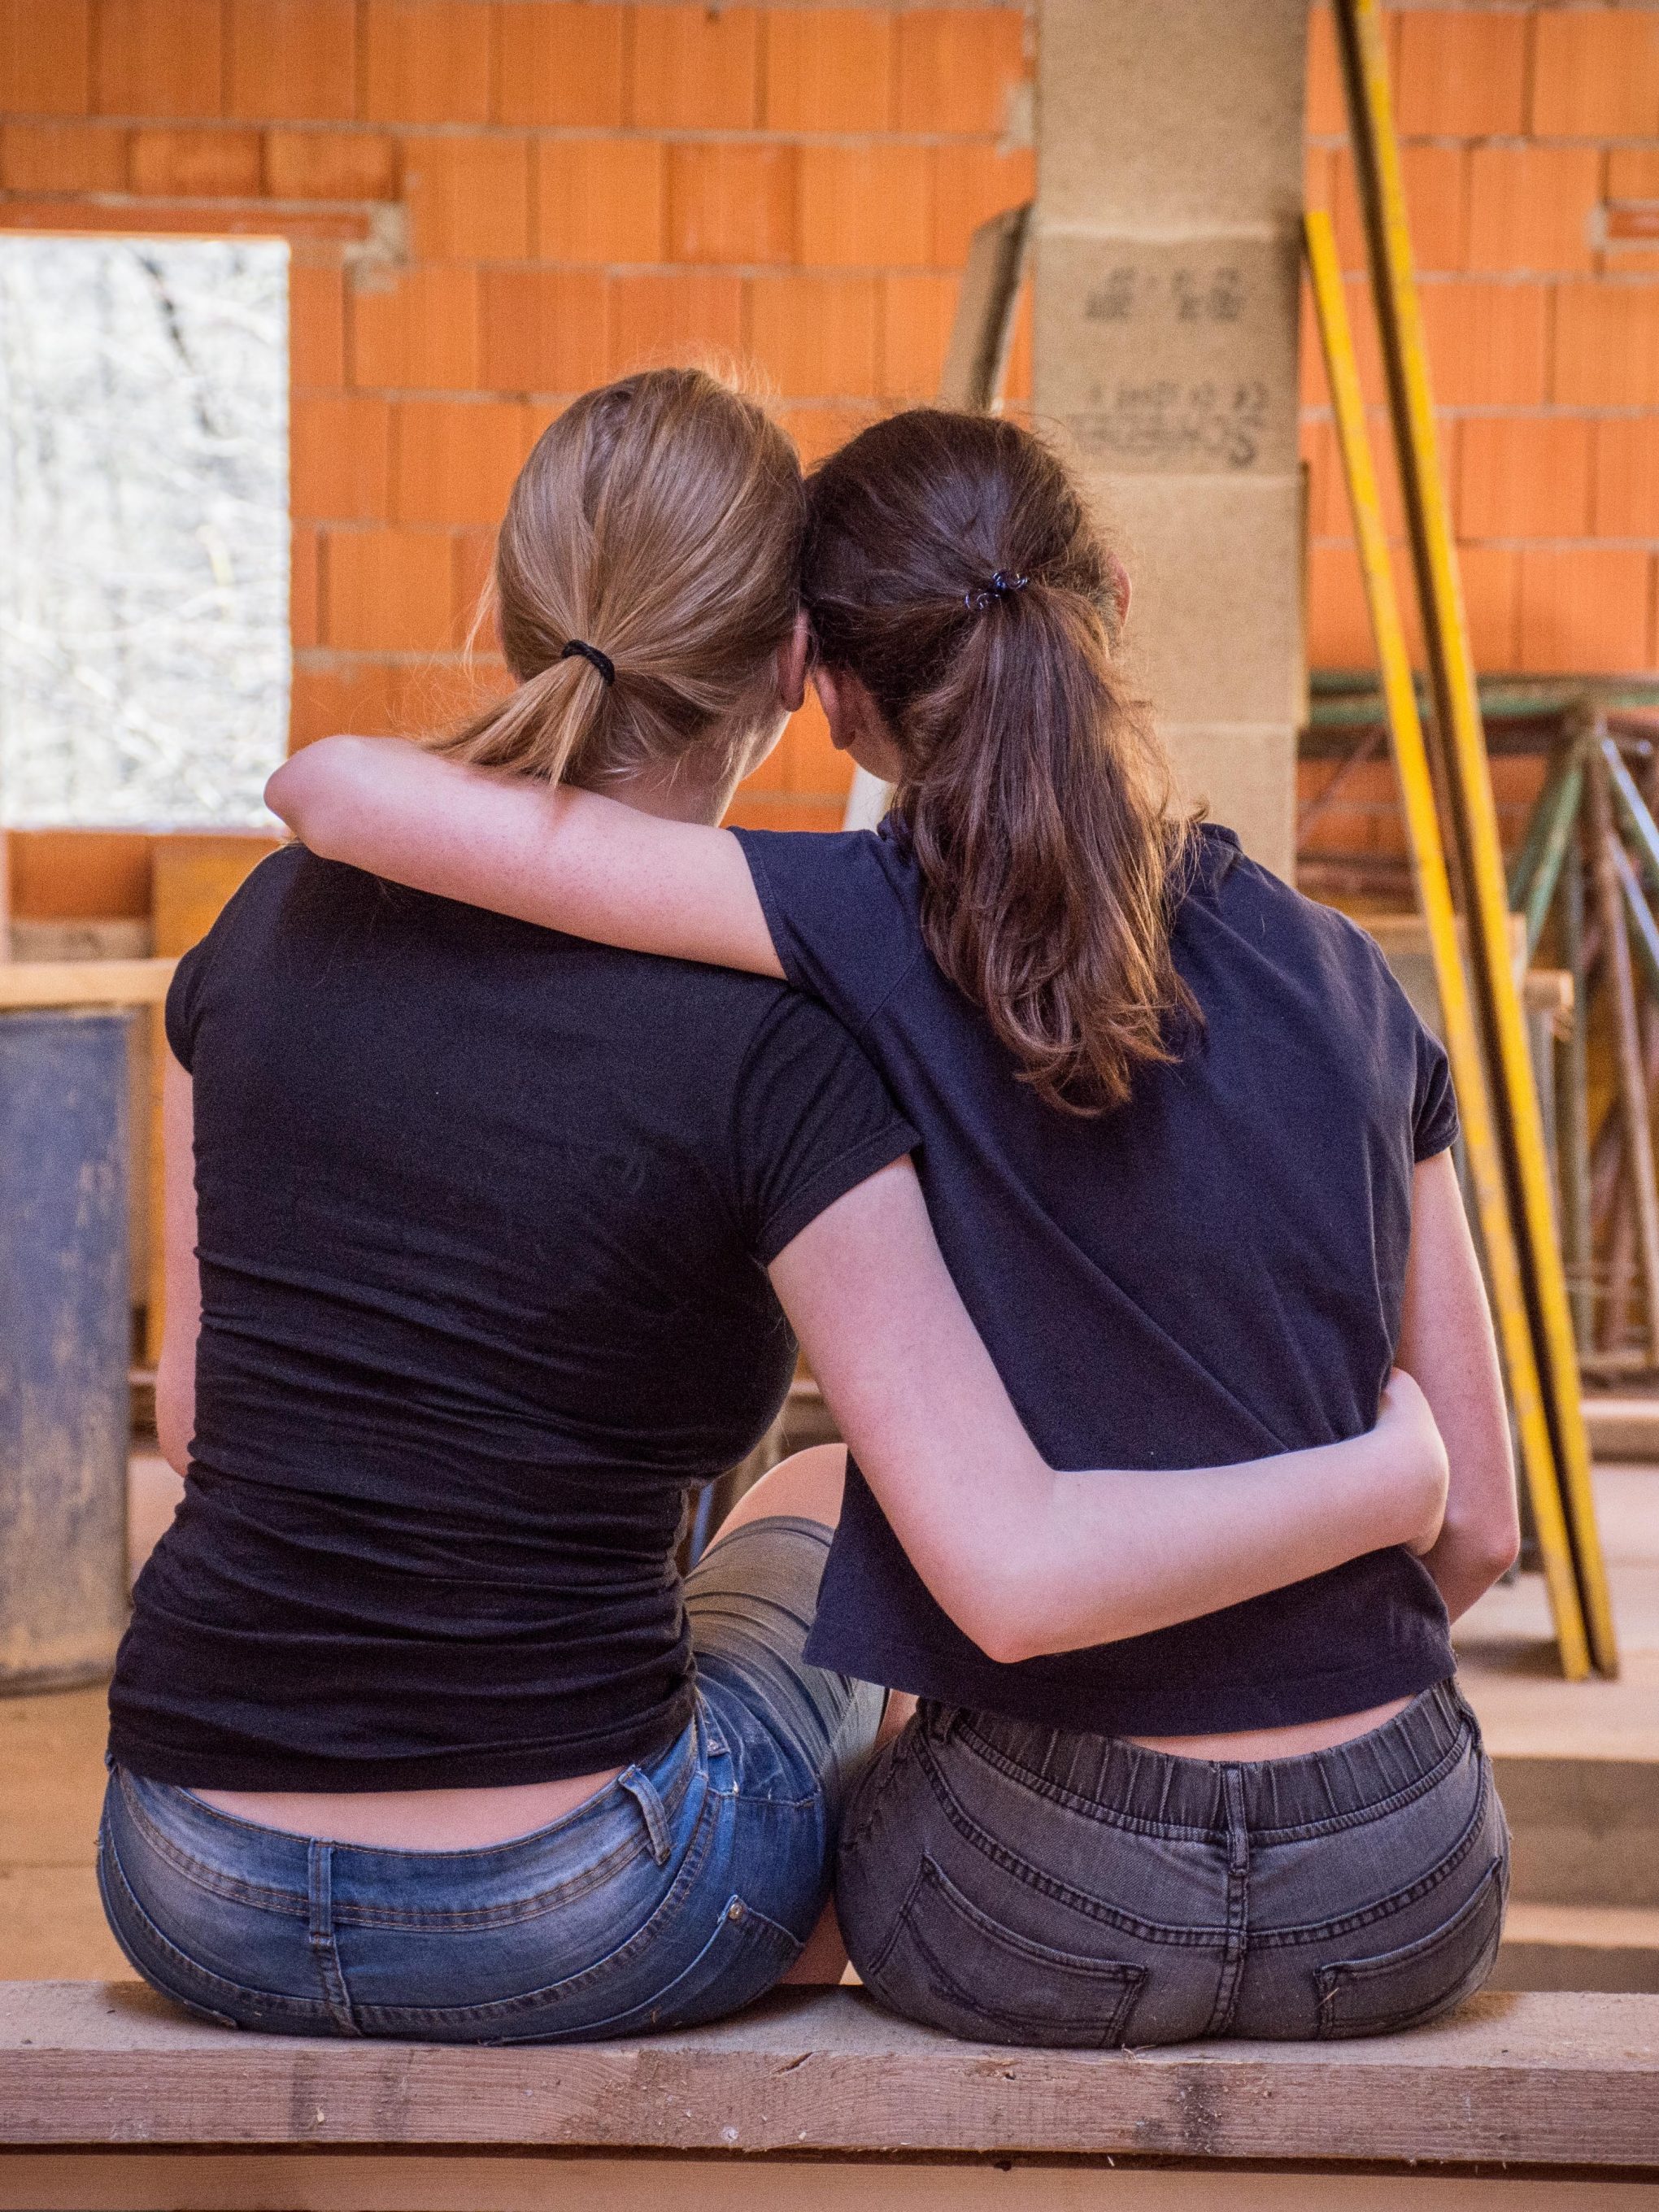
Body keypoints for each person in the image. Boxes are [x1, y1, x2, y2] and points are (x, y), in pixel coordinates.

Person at [103, 373, 1447, 2048]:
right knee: (825, 1504)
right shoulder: (785, 1029)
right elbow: (1010, 1555)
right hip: (582, 1910)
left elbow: (196, 1417)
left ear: (511, 599)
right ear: (796, 666)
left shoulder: (250, 933)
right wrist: (1386, 1473)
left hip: (186, 1868)